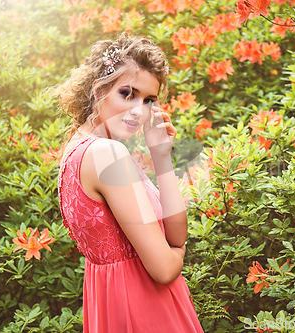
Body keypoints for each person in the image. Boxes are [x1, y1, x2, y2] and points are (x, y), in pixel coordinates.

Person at [49, 32, 205, 333]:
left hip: (112, 305)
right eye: (128, 93)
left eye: (149, 100)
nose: (138, 110)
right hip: (145, 308)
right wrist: (177, 252)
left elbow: (175, 233)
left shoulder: (76, 149)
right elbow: (165, 268)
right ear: (99, 90)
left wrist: (161, 157)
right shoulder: (107, 153)